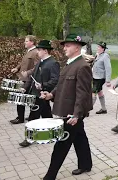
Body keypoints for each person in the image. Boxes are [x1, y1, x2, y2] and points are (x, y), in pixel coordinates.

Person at [40, 34, 93, 179]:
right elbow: (62, 84)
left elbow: (83, 94)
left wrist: (77, 114)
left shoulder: (82, 67)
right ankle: (85, 164)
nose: (64, 48)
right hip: (70, 112)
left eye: (67, 45)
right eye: (64, 45)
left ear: (77, 47)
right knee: (80, 137)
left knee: (61, 145)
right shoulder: (70, 63)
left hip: (71, 114)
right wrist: (51, 95)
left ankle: (50, 176)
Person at [19, 40, 60, 147]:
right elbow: (32, 76)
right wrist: (25, 88)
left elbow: (55, 80)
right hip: (36, 94)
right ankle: (54, 133)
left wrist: (43, 85)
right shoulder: (39, 62)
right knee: (47, 115)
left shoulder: (53, 63)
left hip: (42, 94)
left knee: (33, 116)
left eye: (39, 50)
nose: (37, 52)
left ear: (45, 51)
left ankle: (29, 138)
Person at [10, 35, 39, 124]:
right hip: (24, 79)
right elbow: (23, 62)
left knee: (23, 99)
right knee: (24, 99)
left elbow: (37, 67)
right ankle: (29, 117)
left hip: (29, 80)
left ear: (32, 42)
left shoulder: (35, 52)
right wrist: (17, 68)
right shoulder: (29, 51)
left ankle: (21, 118)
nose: (24, 42)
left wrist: (28, 73)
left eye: (26, 41)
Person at [92, 41, 112, 114]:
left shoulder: (105, 56)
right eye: (98, 47)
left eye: (99, 47)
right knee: (99, 92)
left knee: (93, 92)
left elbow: (108, 68)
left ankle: (87, 110)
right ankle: (104, 109)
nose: (98, 48)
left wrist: (108, 80)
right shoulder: (97, 55)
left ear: (103, 49)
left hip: (100, 78)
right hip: (95, 76)